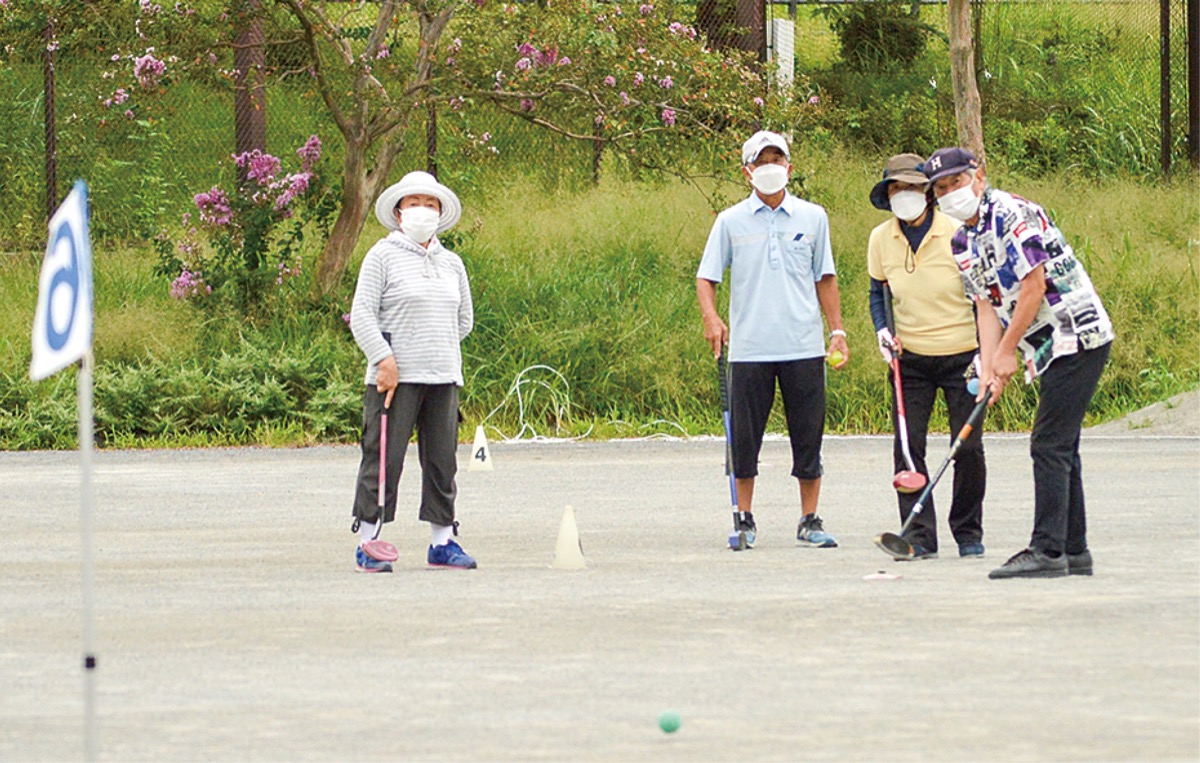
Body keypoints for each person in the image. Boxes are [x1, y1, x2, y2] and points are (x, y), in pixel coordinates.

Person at [924, 147, 1114, 579]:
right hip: (1047, 344)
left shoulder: (1012, 213)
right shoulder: (961, 241)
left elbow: (1034, 286)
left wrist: (1008, 352)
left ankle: (1047, 551)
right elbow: (986, 307)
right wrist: (990, 366)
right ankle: (1074, 549)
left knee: (1048, 444)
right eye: (941, 188)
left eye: (957, 181)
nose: (951, 192)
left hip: (1076, 334)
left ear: (979, 175)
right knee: (1063, 446)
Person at [696, 130, 849, 550]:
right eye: (761, 162)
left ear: (789, 167)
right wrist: (712, 318)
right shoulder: (729, 221)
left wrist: (836, 331)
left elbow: (826, 277)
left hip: (803, 343)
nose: (770, 168)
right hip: (749, 347)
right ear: (747, 172)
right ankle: (744, 518)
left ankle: (809, 518)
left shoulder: (813, 217)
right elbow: (706, 278)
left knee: (808, 435)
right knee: (745, 439)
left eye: (776, 160)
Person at [348, 171, 477, 572]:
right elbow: (362, 315)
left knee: (442, 462)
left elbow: (464, 321)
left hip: (442, 377)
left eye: (431, 204)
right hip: (393, 379)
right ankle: (369, 541)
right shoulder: (381, 256)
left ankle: (442, 542)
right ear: (399, 211)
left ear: (440, 213)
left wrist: (433, 345)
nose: (422, 210)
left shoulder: (452, 263)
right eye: (414, 202)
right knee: (384, 460)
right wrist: (384, 358)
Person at [866, 153, 986, 560]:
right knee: (906, 448)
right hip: (910, 359)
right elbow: (876, 291)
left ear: (929, 193)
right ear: (888, 195)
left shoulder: (956, 232)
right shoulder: (881, 239)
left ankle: (968, 532)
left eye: (914, 188)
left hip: (963, 356)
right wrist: (883, 330)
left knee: (966, 448)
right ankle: (919, 537)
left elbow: (981, 297)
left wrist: (986, 352)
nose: (906, 195)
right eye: (897, 189)